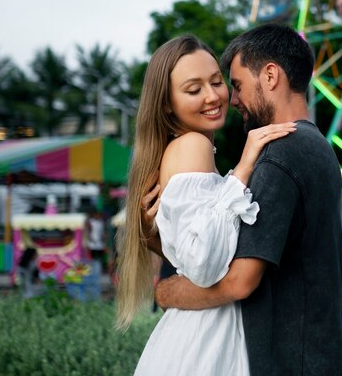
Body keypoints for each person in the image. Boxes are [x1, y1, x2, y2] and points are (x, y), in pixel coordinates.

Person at [147, 23, 342, 376]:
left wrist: (167, 291)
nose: (230, 98)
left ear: (270, 76)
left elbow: (238, 280)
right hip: (315, 355)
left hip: (285, 362)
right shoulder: (319, 149)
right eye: (195, 88)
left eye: (232, 84)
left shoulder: (278, 156)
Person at [115, 33, 295, 376]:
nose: (213, 96)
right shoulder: (193, 145)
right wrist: (242, 170)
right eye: (194, 89)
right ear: (167, 102)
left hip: (192, 333)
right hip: (207, 339)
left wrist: (157, 241)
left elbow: (192, 251)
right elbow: (205, 265)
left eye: (217, 82)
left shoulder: (182, 149)